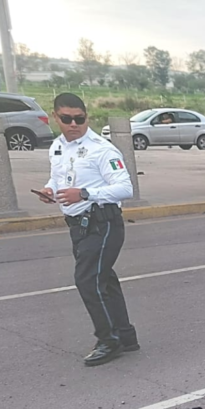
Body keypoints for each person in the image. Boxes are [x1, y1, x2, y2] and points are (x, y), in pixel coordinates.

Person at [34, 93, 138, 367]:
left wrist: (85, 193)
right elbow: (58, 178)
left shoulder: (102, 149)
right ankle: (125, 335)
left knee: (88, 281)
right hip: (78, 225)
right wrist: (50, 190)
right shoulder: (57, 146)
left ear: (86, 117)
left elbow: (125, 188)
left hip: (102, 222)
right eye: (66, 118)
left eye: (79, 119)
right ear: (55, 117)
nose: (73, 124)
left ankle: (109, 340)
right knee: (103, 280)